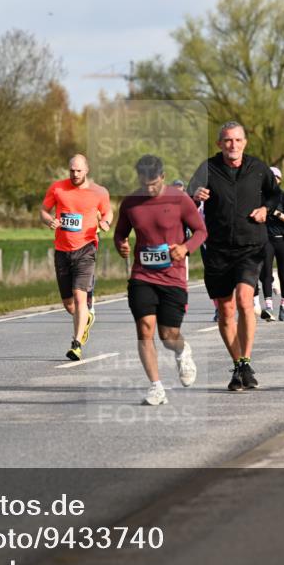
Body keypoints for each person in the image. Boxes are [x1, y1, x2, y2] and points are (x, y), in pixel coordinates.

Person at [188, 122, 280, 391]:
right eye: (228, 141)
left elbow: (275, 195)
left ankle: (247, 359)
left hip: (250, 246)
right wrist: (195, 196)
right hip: (217, 249)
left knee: (244, 300)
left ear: (245, 142)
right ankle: (240, 365)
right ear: (219, 144)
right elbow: (187, 202)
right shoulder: (207, 168)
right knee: (226, 311)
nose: (233, 145)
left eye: (238, 140)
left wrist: (267, 210)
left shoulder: (258, 168)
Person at [114, 155, 206, 405]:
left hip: (173, 277)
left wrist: (186, 248)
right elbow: (120, 233)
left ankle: (182, 351)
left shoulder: (179, 199)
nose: (150, 189)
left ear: (163, 177)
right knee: (145, 329)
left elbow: (200, 231)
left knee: (168, 335)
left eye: (154, 184)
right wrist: (120, 245)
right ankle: (156, 387)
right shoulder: (131, 202)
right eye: (145, 184)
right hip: (142, 275)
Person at [41, 154, 112, 361]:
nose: (75, 174)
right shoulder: (57, 188)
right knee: (69, 304)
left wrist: (105, 223)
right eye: (72, 170)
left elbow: (108, 213)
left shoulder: (99, 192)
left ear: (86, 170)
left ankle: (77, 343)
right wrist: (49, 221)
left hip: (86, 248)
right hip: (62, 250)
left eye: (79, 170)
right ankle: (86, 317)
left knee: (79, 295)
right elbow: (43, 211)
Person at [259, 166, 284, 322]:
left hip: (283, 240)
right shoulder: (260, 197)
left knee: (283, 273)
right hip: (266, 239)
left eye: (276, 178)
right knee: (266, 272)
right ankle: (268, 307)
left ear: (279, 180)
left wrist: (276, 212)